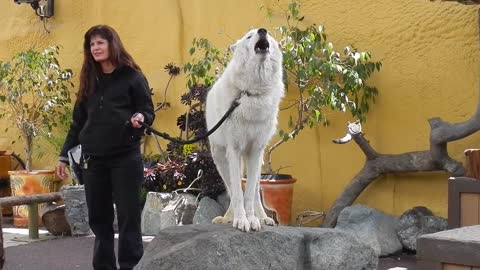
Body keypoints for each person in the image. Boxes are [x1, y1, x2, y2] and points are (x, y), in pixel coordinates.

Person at [56, 25, 154, 270]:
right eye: (92, 44)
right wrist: (63, 156)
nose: (95, 48)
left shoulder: (132, 76)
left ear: (113, 44)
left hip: (125, 158)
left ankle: (131, 265)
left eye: (100, 42)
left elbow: (147, 110)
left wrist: (140, 117)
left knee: (128, 217)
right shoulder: (89, 79)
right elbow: (78, 122)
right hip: (94, 161)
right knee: (99, 221)